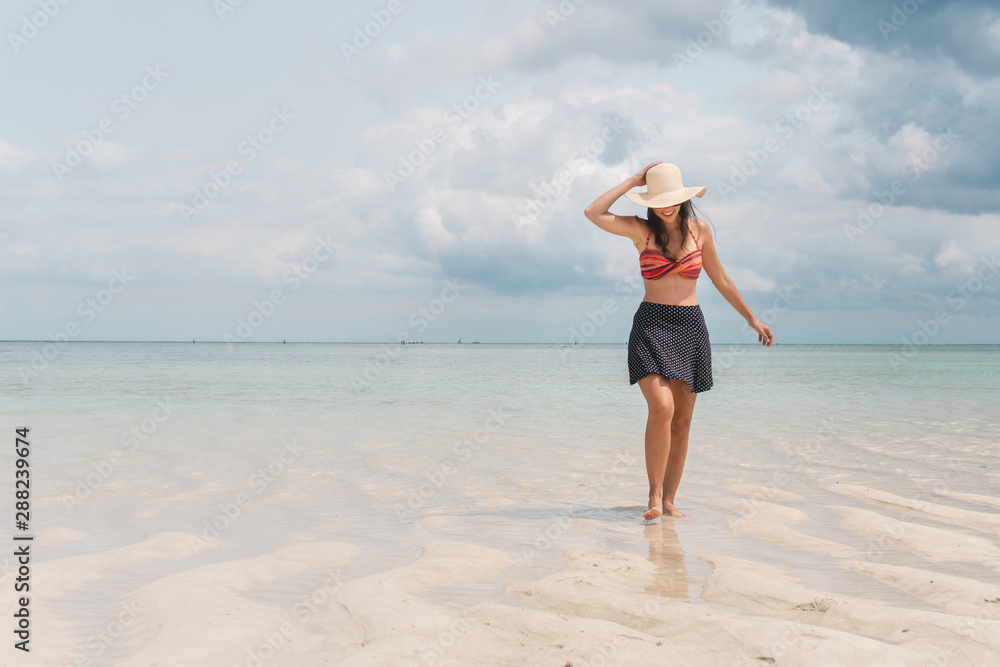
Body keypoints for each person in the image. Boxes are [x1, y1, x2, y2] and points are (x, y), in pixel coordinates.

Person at [584, 162, 773, 521]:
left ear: (682, 199)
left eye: (670, 199)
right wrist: (633, 181)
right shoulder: (640, 231)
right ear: (649, 202)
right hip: (651, 325)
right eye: (657, 200)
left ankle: (670, 501)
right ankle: (653, 497)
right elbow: (592, 212)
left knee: (683, 421)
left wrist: (751, 318)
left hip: (690, 326)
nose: (665, 206)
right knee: (662, 408)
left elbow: (721, 278)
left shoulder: (700, 231)